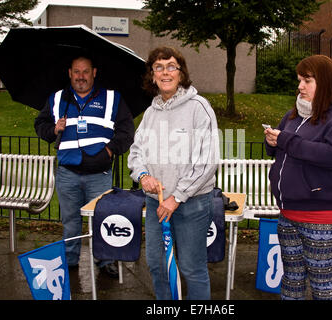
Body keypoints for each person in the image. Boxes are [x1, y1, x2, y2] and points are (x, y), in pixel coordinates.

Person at [264, 55, 332, 300]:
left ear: (326, 82)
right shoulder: (294, 114)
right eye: (300, 80)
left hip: (323, 214)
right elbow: (282, 147)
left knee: (321, 283)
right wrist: (273, 142)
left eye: (307, 80)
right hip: (289, 211)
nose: (300, 86)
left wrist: (286, 140)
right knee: (292, 279)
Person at [127, 46, 219, 300]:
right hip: (156, 203)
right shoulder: (150, 113)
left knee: (192, 268)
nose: (165, 72)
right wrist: (143, 175)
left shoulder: (199, 108)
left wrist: (176, 197)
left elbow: (206, 161)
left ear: (181, 73)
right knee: (157, 266)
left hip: (191, 204)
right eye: (158, 67)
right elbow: (136, 153)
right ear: (152, 75)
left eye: (171, 66)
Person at [34, 53, 135, 277]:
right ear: (70, 74)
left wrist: (109, 149)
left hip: (99, 173)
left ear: (94, 73)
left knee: (102, 219)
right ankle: (70, 261)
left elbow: (127, 131)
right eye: (76, 72)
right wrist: (53, 130)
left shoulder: (112, 98)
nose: (81, 76)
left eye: (85, 71)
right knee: (70, 221)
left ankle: (105, 261)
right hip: (67, 173)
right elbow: (40, 124)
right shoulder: (58, 98)